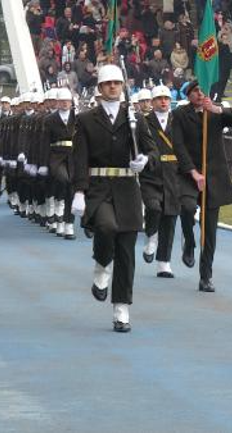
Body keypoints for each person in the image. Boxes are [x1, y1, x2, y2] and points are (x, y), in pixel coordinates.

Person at [71, 64, 157, 333]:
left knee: (126, 252)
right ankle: (101, 264)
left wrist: (145, 160)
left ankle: (121, 309)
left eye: (117, 84)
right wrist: (79, 191)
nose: (112, 87)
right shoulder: (86, 119)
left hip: (127, 189)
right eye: (107, 84)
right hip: (99, 188)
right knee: (106, 228)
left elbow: (152, 150)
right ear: (99, 88)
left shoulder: (135, 119)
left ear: (122, 87)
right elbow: (80, 158)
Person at [171, 81, 232, 293]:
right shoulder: (180, 115)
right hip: (189, 173)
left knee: (210, 229)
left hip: (214, 176)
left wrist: (216, 109)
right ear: (188, 95)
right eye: (195, 91)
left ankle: (206, 275)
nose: (200, 94)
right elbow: (178, 145)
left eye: (201, 90)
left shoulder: (214, 111)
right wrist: (193, 172)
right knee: (186, 207)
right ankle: (189, 242)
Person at [139, 85, 182, 278]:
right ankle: (151, 235)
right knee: (154, 208)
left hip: (173, 174)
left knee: (170, 218)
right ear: (153, 102)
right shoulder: (144, 122)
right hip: (152, 172)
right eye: (159, 98)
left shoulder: (178, 121)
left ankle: (164, 262)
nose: (163, 101)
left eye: (166, 98)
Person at [45, 87, 77, 239]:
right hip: (56, 157)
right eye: (62, 101)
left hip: (73, 157)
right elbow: (43, 143)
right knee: (64, 180)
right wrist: (42, 164)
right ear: (57, 102)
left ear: (71, 102)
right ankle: (59, 207)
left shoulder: (78, 118)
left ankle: (68, 223)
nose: (65, 103)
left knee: (71, 187)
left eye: (67, 101)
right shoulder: (50, 119)